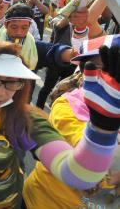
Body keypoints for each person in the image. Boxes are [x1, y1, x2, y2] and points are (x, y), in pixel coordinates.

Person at [0, 40, 119, 208]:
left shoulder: (26, 120)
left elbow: (78, 175)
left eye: (13, 82)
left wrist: (103, 126)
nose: (1, 93)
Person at [24, 35, 120, 209]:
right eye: (97, 66)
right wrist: (105, 126)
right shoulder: (67, 104)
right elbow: (95, 161)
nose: (107, 76)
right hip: (45, 201)